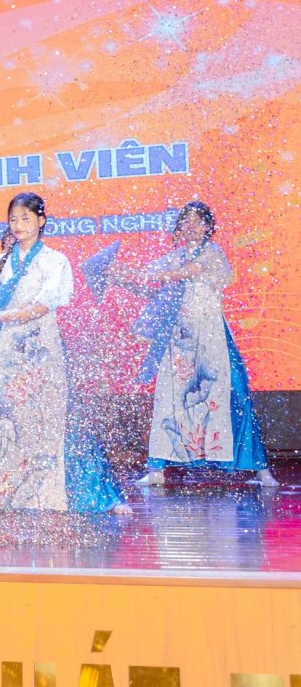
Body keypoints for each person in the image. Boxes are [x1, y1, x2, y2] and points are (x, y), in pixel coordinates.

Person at [0, 193, 127, 513]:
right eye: (13, 219)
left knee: (50, 420)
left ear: (41, 220)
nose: (19, 225)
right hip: (4, 353)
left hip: (41, 352)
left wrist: (6, 316)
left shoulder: (54, 261)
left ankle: (68, 494)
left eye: (26, 218)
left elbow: (43, 305)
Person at [121, 201, 278, 487]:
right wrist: (119, 275)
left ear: (208, 227)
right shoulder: (173, 257)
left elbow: (184, 272)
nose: (191, 226)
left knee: (234, 394)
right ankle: (157, 469)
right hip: (180, 341)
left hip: (212, 337)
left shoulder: (212, 253)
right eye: (186, 221)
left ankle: (260, 468)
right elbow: (148, 283)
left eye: (198, 221)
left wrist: (142, 275)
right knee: (170, 400)